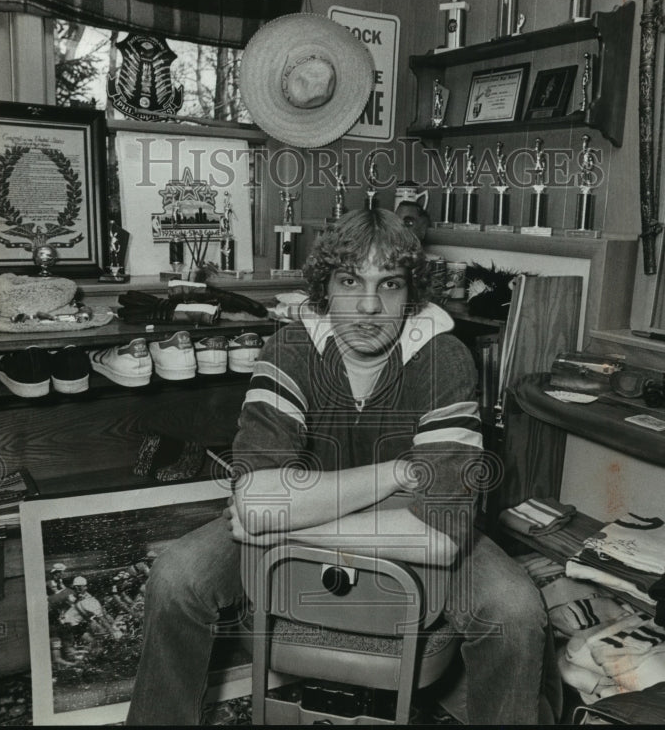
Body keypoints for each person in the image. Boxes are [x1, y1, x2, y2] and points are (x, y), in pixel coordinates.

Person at [127, 208, 558, 725]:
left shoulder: (445, 357)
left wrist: (286, 521)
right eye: (351, 280)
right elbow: (259, 504)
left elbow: (441, 538)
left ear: (411, 294)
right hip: (387, 518)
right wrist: (400, 473)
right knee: (175, 578)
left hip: (340, 519)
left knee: (515, 610)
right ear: (325, 287)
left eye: (390, 284)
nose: (370, 306)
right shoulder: (289, 348)